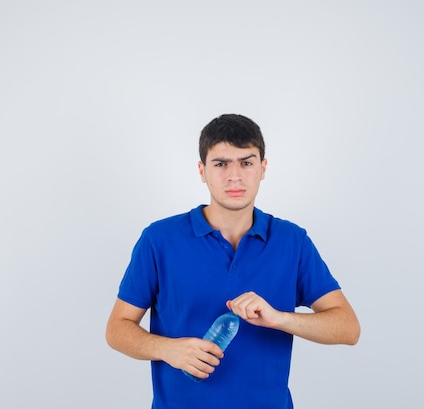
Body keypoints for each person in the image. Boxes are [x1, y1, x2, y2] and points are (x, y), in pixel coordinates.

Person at [106, 114, 360, 408]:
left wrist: (280, 318)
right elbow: (117, 328)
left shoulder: (292, 241)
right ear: (202, 170)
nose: (235, 176)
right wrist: (166, 349)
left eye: (246, 162)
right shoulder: (160, 239)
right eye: (221, 163)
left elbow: (348, 328)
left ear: (263, 168)